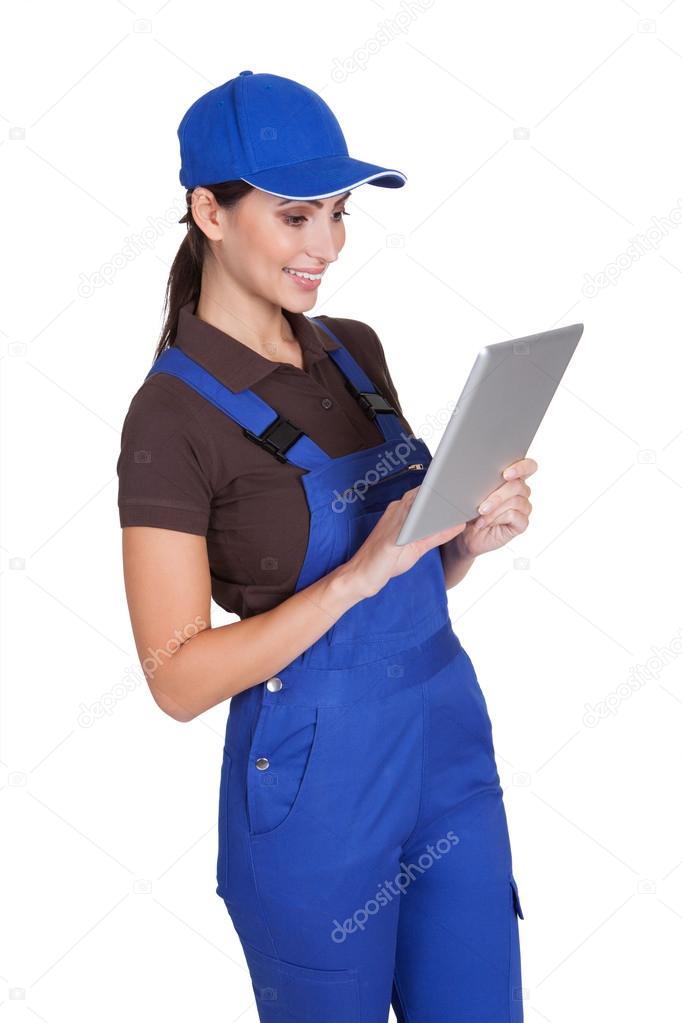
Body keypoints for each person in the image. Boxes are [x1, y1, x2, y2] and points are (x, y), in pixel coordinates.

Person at [117, 70, 536, 1022]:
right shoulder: (171, 416)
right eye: (297, 215)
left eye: (338, 214)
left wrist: (463, 544)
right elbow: (176, 678)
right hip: (317, 783)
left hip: (448, 740)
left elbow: (401, 569)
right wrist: (356, 577)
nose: (328, 246)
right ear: (208, 212)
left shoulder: (353, 349)